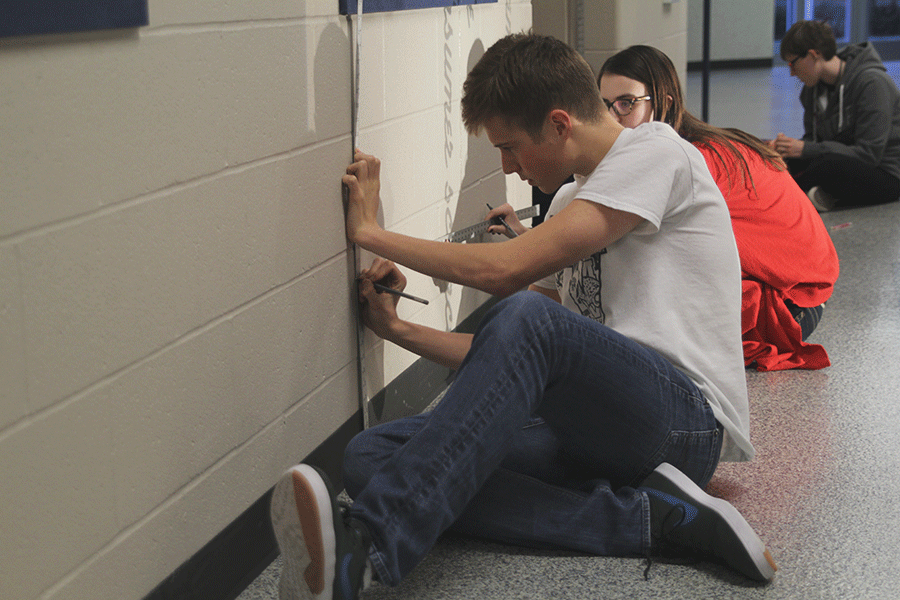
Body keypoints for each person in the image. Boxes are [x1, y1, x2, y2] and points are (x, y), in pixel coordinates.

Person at [269, 34, 777, 600]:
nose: (509, 167)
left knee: (525, 314)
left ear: (560, 124)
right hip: (594, 425)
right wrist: (398, 330)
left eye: (510, 147)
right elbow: (514, 356)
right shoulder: (568, 205)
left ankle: (368, 552)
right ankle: (655, 522)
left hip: (684, 422)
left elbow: (506, 276)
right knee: (373, 458)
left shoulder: (657, 152)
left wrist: (369, 233)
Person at [598, 44, 839, 372]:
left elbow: (620, 239)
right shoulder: (690, 145)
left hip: (793, 303)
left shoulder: (692, 160)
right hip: (797, 288)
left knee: (636, 308)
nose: (613, 118)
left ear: (665, 104)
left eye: (626, 104)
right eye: (604, 106)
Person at [771, 19, 900, 211]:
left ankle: (782, 203)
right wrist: (786, 149)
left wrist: (805, 149)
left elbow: (869, 154)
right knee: (781, 158)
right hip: (841, 160)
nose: (791, 73)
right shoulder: (811, 89)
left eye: (793, 63)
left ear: (814, 55)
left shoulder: (872, 84)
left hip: (885, 172)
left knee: (827, 166)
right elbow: (814, 140)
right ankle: (810, 195)